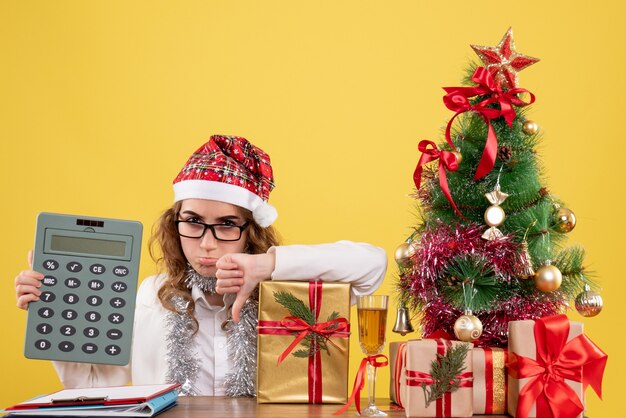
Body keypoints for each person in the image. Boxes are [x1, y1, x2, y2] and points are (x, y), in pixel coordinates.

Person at [14, 135, 387, 397]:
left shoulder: (287, 294)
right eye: (192, 222)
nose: (207, 244)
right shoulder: (149, 297)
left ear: (249, 231)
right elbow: (93, 390)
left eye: (226, 224)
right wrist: (56, 309)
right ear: (174, 225)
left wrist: (267, 266)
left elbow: (372, 265)